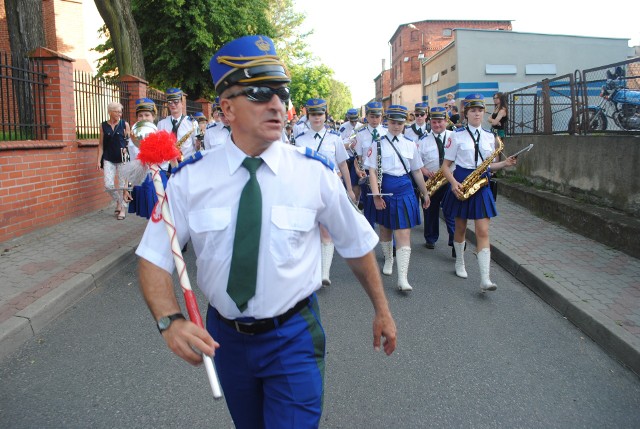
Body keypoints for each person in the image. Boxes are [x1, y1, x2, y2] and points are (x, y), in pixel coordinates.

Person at [136, 35, 396, 429]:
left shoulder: (314, 173)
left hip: (292, 337)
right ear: (226, 109)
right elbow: (154, 255)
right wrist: (169, 320)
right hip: (226, 338)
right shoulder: (190, 181)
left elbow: (356, 244)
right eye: (259, 93)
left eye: (281, 93)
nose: (277, 104)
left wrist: (382, 309)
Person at [441, 94, 517, 292]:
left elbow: (490, 166)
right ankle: (460, 262)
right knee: (460, 228)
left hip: (482, 183)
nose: (477, 114)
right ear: (466, 113)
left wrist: (505, 164)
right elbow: (446, 166)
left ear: (484, 113)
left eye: (480, 110)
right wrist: (454, 183)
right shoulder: (456, 136)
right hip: (462, 182)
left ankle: (485, 278)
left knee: (483, 230)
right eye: (473, 110)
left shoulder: (490, 136)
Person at [364, 105, 430, 292]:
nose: (396, 126)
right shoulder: (377, 144)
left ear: (404, 124)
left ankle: (403, 278)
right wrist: (376, 195)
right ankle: (388, 259)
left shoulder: (410, 144)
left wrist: (425, 193)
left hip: (405, 190)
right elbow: (372, 172)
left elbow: (416, 171)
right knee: (385, 229)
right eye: (393, 122)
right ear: (387, 122)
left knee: (403, 232)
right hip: (385, 190)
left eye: (400, 123)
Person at [295, 98, 356, 286]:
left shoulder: (335, 138)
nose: (317, 118)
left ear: (325, 116)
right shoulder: (299, 139)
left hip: (330, 186)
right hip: (307, 187)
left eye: (320, 114)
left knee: (325, 228)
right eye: (313, 114)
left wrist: (349, 189)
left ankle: (324, 272)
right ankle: (308, 267)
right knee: (307, 227)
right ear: (308, 116)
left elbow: (343, 164)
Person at [417, 107, 456, 252]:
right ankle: (431, 238)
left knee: (451, 211)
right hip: (431, 179)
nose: (437, 125)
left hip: (451, 178)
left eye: (440, 122)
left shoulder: (455, 136)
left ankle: (454, 240)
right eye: (434, 122)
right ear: (430, 122)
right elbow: (416, 162)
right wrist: (425, 171)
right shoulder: (423, 140)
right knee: (430, 209)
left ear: (446, 121)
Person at [125, 98, 168, 219]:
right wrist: (128, 186)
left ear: (153, 116)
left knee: (160, 214)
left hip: (157, 177)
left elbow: (165, 161)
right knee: (149, 216)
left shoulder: (160, 134)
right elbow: (132, 161)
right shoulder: (133, 137)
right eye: (140, 115)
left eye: (147, 115)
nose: (143, 118)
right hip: (141, 178)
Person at [351, 101, 387, 222]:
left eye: (377, 116)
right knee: (369, 208)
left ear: (381, 117)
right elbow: (358, 156)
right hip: (367, 172)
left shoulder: (387, 132)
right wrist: (358, 170)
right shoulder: (361, 134)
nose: (375, 120)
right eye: (372, 116)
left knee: (385, 208)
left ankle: (387, 238)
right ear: (366, 117)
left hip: (384, 173)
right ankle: (370, 234)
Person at [96, 101, 130, 221]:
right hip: (108, 158)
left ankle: (123, 209)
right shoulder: (103, 126)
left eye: (120, 111)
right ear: (110, 112)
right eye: (117, 111)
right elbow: (100, 145)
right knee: (108, 184)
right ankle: (118, 201)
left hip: (123, 158)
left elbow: (129, 142)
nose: (119, 114)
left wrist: (127, 149)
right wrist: (98, 160)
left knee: (122, 186)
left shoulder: (124, 124)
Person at [156, 88, 197, 166]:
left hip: (187, 163)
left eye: (176, 102)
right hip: (167, 166)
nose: (173, 105)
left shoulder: (192, 123)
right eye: (170, 102)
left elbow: (197, 147)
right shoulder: (161, 124)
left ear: (182, 103)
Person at [339, 108, 363, 202]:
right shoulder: (343, 127)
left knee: (356, 183)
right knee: (347, 183)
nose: (353, 122)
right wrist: (348, 146)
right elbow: (339, 145)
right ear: (348, 118)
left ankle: (356, 201)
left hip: (358, 158)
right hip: (347, 158)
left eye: (355, 120)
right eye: (351, 120)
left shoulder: (361, 127)